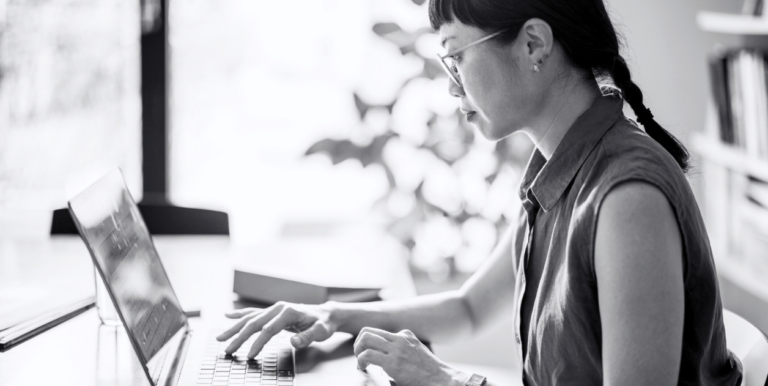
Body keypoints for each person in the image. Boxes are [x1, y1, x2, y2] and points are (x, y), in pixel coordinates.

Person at [217, 0, 744, 385]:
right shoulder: (562, 169)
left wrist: (448, 381)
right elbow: (469, 309)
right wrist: (335, 316)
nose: (450, 86)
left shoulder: (627, 196)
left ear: (534, 44)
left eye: (455, 57)